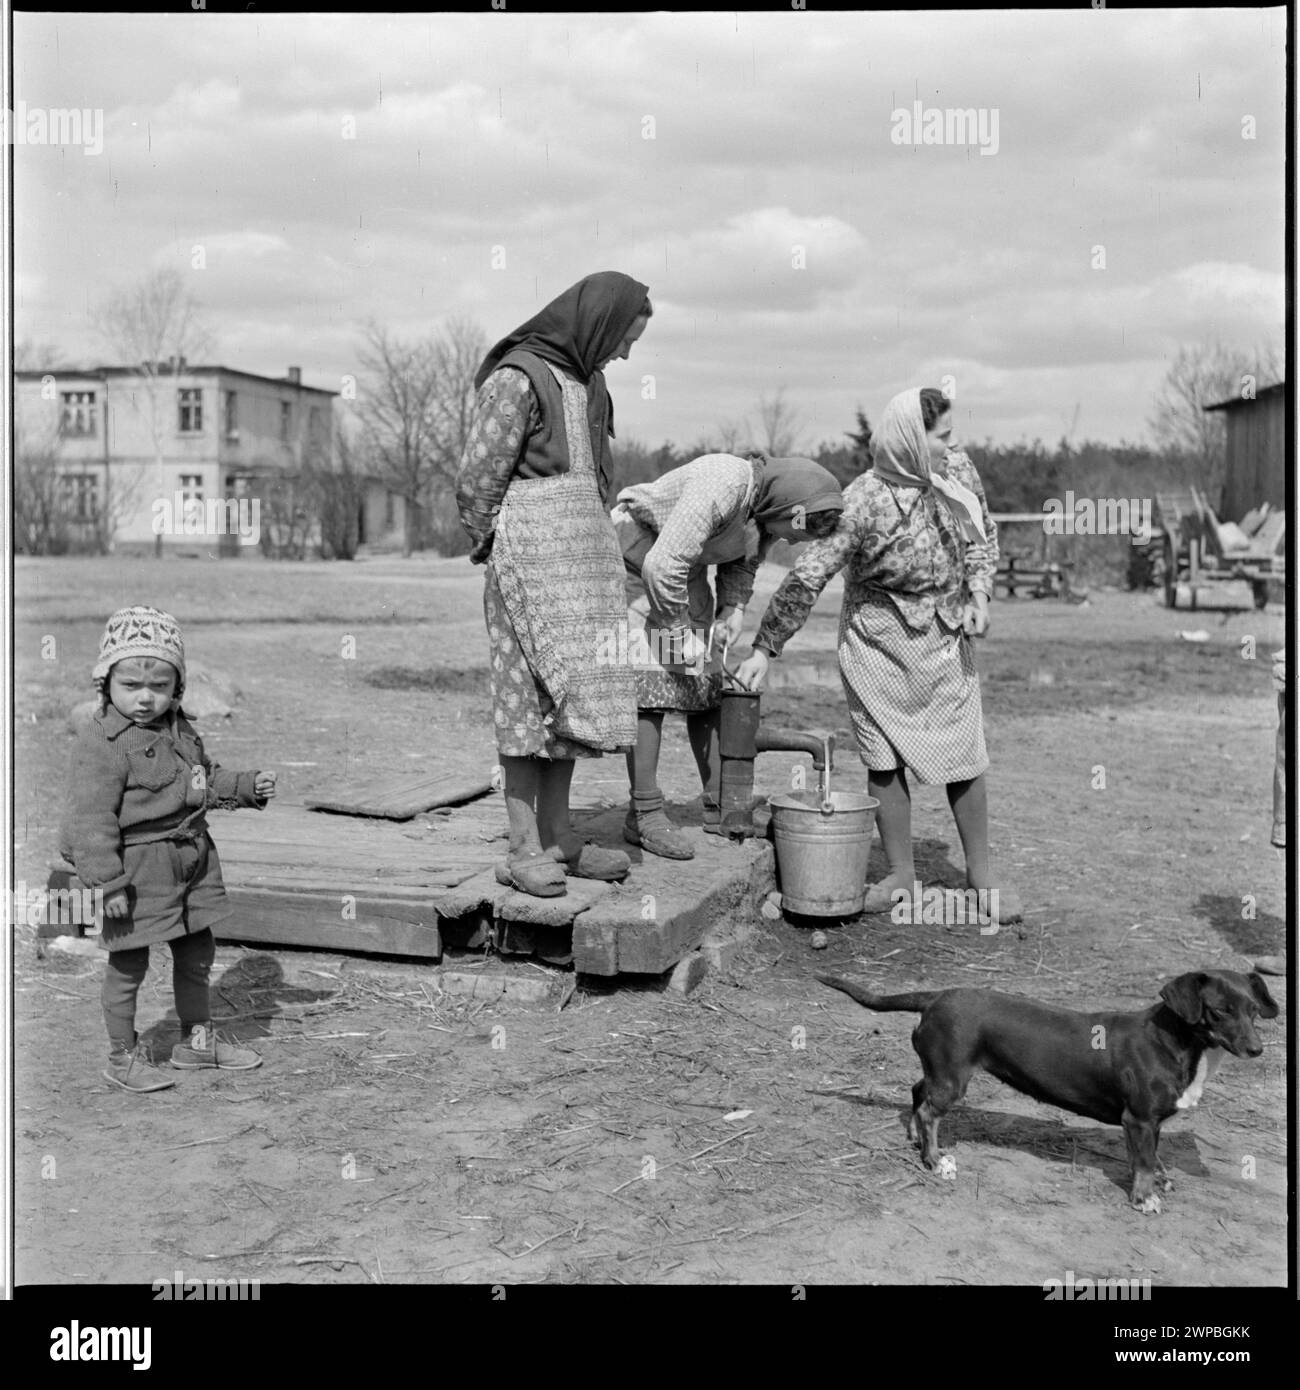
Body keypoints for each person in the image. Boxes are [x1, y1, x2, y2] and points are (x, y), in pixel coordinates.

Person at [735, 386, 1021, 925]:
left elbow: (982, 534)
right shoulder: (863, 499)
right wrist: (765, 647)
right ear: (912, 439)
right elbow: (810, 574)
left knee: (965, 752)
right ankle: (900, 876)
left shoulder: (958, 472)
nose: (951, 445)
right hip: (876, 641)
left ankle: (982, 876)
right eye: (942, 436)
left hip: (944, 630)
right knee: (884, 757)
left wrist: (979, 593)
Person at [456, 271, 651, 897]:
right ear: (596, 325)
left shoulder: (592, 387)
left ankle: (560, 835)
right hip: (525, 558)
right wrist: (502, 542)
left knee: (572, 698)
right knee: (524, 702)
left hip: (584, 565)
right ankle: (522, 846)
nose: (624, 353)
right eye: (623, 339)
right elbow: (478, 477)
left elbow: (599, 479)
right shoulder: (517, 379)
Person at [60, 606, 276, 1093]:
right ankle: (121, 1056)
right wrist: (107, 882)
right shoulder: (101, 742)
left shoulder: (180, 729)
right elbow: (88, 820)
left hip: (192, 863)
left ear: (176, 687)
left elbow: (202, 780)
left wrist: (245, 787)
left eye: (158, 686)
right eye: (131, 685)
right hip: (135, 871)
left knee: (197, 951)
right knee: (129, 962)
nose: (145, 698)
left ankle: (195, 1043)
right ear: (105, 681)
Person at [613, 451, 844, 858]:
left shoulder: (762, 505)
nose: (788, 542)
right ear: (787, 508)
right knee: (651, 679)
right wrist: (678, 631)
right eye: (793, 533)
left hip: (686, 565)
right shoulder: (724, 483)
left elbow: (745, 556)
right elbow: (661, 565)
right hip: (639, 556)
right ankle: (644, 813)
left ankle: (722, 802)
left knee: (705, 680)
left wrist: (732, 607)